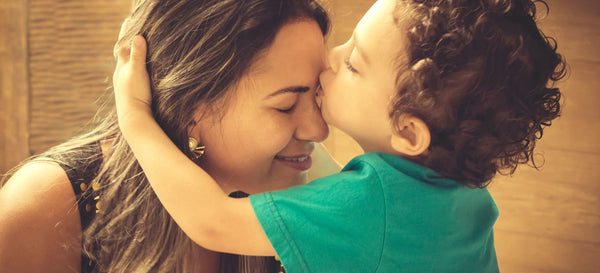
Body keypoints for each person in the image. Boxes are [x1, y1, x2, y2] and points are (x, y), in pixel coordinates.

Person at [115, 0, 567, 272]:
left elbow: (211, 221)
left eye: (354, 63)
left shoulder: (374, 208)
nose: (332, 57)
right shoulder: (460, 194)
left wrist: (135, 114)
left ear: (408, 131)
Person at [0, 0, 338, 272]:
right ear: (189, 107)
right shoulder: (49, 206)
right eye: (286, 105)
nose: (319, 130)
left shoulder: (297, 191)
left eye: (319, 96)